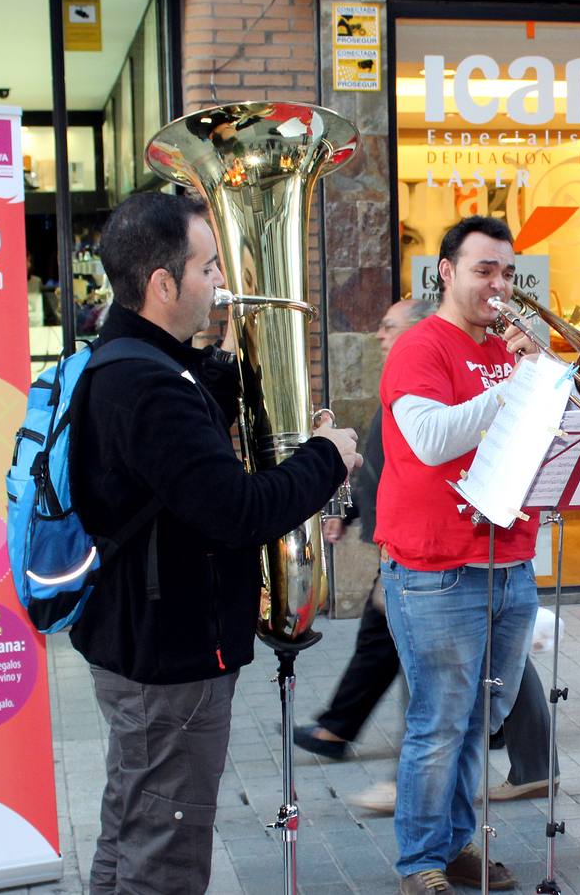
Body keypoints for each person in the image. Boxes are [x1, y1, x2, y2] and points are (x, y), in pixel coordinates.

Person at [67, 191, 361, 895]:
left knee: (132, 824)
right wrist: (325, 456)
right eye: (208, 269)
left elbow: (188, 415)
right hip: (171, 657)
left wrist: (238, 367)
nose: (220, 285)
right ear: (163, 285)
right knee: (165, 852)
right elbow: (235, 510)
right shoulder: (146, 385)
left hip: (140, 641)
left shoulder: (131, 360)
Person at [293, 296, 555, 810]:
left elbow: (427, 450)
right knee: (446, 676)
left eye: (391, 327)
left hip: (434, 552)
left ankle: (411, 787)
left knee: (433, 682)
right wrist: (343, 516)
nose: (381, 336)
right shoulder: (411, 373)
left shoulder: (432, 367)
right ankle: (516, 769)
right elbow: (381, 462)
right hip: (411, 547)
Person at [377, 215, 543, 894]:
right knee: (440, 723)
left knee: (482, 719)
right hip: (438, 568)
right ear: (445, 271)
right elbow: (431, 440)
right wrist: (518, 385)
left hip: (511, 561)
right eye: (484, 270)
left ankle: (453, 847)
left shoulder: (510, 352)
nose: (499, 285)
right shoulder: (420, 347)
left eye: (508, 272)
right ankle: (420, 862)